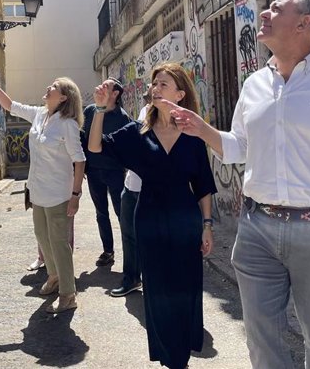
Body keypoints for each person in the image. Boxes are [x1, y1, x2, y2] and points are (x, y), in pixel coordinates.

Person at [165, 0, 310, 369]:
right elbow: (240, 146)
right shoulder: (255, 84)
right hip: (256, 228)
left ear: (305, 23)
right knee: (261, 337)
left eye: (276, 8)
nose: (264, 13)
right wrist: (202, 129)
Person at [88, 63, 216, 369]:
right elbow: (95, 147)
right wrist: (99, 110)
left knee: (185, 289)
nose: (155, 89)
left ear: (180, 94)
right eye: (154, 84)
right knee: (158, 291)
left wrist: (207, 226)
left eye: (163, 84)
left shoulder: (192, 132)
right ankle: (171, 359)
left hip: (186, 220)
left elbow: (203, 185)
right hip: (150, 219)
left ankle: (182, 354)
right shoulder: (137, 133)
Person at [0, 69, 86, 313]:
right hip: (37, 191)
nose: (49, 88)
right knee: (41, 235)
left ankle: (68, 294)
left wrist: (76, 195)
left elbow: (79, 161)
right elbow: (9, 104)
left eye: (54, 86)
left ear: (63, 98)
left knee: (59, 243)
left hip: (59, 193)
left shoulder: (67, 125)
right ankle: (54, 275)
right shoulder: (39, 115)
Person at [81, 78, 131, 267]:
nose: (101, 86)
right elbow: (84, 139)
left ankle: (130, 251)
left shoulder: (122, 117)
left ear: (115, 93)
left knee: (121, 212)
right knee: (101, 212)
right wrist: (83, 166)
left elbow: (126, 146)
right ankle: (108, 251)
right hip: (94, 171)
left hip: (115, 172)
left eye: (107, 86)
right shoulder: (90, 111)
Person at [111, 85, 152, 297]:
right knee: (128, 235)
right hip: (131, 187)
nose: (151, 87)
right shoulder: (145, 111)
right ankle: (132, 279)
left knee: (152, 238)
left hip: (152, 191)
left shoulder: (175, 117)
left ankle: (155, 282)